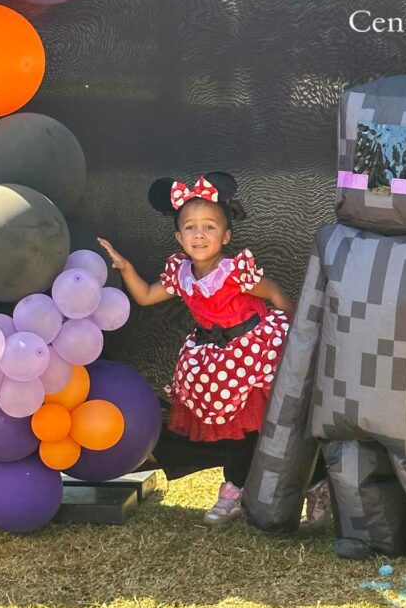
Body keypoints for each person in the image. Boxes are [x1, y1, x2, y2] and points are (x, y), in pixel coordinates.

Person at [98, 171, 329, 527]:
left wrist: (296, 335)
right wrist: (126, 267)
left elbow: (273, 292)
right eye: (190, 227)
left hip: (257, 352)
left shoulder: (234, 271)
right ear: (179, 237)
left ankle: (317, 485)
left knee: (279, 424)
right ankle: (235, 488)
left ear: (226, 235)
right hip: (219, 361)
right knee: (234, 429)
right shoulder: (181, 274)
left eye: (209, 227)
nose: (199, 234)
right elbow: (145, 296)